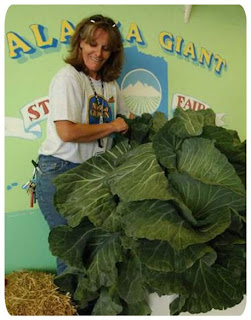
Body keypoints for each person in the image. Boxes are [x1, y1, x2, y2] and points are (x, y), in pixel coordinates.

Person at [35, 14, 132, 275]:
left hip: (93, 174)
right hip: (61, 171)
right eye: (93, 44)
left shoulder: (109, 84)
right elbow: (66, 132)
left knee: (91, 248)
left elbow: (128, 119)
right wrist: (112, 126)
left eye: (105, 48)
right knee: (73, 252)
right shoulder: (69, 78)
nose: (98, 53)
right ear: (80, 43)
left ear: (113, 53)